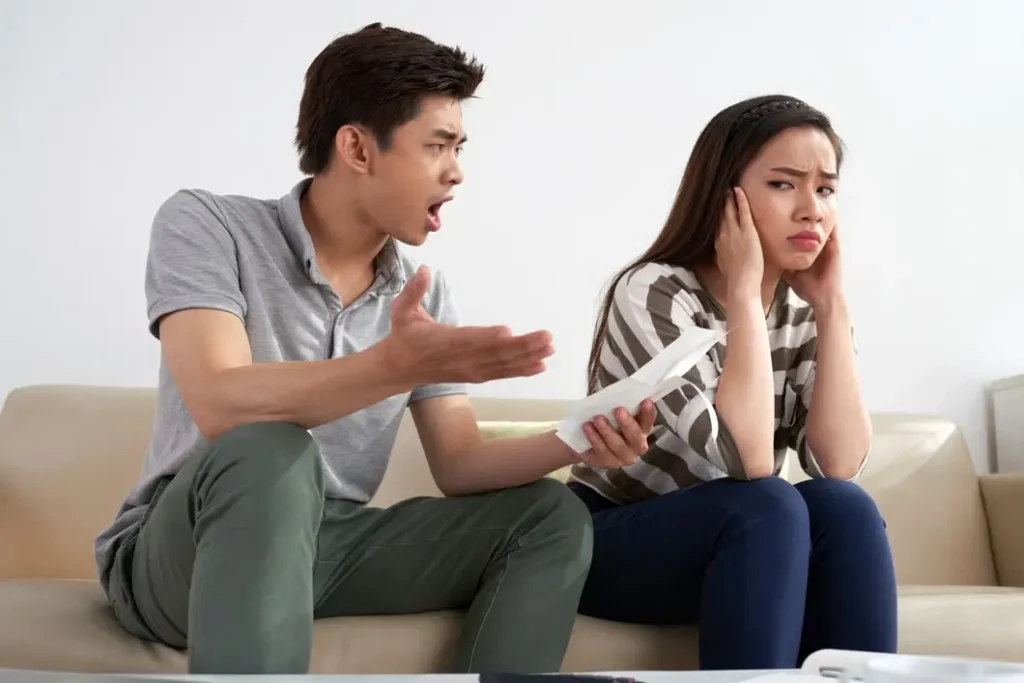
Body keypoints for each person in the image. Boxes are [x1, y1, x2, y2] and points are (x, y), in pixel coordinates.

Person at [94, 23, 657, 675]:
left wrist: (580, 437)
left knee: (550, 514)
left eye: (460, 147)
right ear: (358, 147)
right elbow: (222, 402)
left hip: (328, 547)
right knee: (269, 446)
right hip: (185, 552)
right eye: (438, 146)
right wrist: (389, 365)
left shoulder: (419, 293)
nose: (457, 172)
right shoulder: (209, 226)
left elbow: (461, 463)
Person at [567, 94, 898, 670]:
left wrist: (832, 307)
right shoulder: (654, 292)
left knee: (844, 507)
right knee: (766, 502)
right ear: (727, 198)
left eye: (825, 189)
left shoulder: (802, 311)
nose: (812, 210)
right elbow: (745, 461)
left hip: (747, 550)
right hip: (613, 543)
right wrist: (745, 296)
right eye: (783, 184)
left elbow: (839, 464)